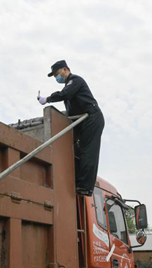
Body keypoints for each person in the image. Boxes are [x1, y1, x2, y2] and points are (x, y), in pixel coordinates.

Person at [37, 60, 104, 196]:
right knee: (77, 151)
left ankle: (85, 187)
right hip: (82, 120)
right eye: (55, 76)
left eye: (57, 74)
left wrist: (48, 99)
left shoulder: (75, 81)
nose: (57, 77)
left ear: (66, 69)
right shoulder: (69, 87)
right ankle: (77, 180)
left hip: (92, 117)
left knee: (87, 151)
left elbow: (64, 95)